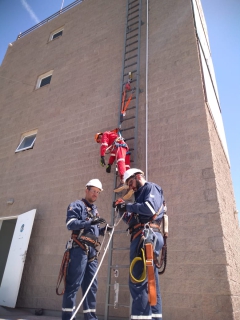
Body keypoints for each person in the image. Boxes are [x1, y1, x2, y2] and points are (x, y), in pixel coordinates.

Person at [113, 169, 165, 320]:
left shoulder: (150, 188)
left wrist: (128, 206)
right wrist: (121, 209)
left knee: (138, 282)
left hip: (146, 237)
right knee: (150, 284)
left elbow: (149, 208)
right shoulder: (138, 198)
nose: (131, 187)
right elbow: (133, 220)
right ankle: (155, 317)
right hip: (143, 236)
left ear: (138, 176)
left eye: (130, 183)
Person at [62, 179, 109, 320]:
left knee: (91, 287)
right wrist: (90, 222)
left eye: (98, 192)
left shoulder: (95, 210)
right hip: (79, 250)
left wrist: (103, 230)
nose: (95, 194)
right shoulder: (77, 205)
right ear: (86, 190)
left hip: (92, 253)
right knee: (73, 285)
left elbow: (92, 230)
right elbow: (70, 224)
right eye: (93, 191)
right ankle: (68, 317)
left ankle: (91, 318)